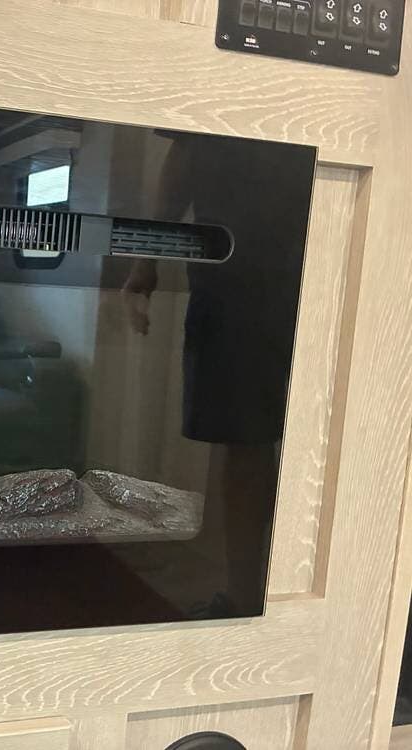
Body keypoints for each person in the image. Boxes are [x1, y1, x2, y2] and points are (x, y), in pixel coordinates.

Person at [121, 133, 310, 611]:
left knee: (248, 440)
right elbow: (185, 150)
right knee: (257, 438)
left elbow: (184, 153)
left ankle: (248, 597)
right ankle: (258, 594)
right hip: (266, 259)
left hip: (240, 269)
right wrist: (146, 259)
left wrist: (145, 262)